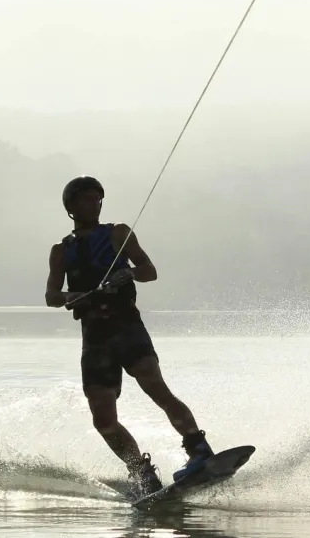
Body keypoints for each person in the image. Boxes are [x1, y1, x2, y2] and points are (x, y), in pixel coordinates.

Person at [44, 175, 214, 497]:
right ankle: (142, 473)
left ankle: (198, 449)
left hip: (127, 327)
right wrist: (70, 296)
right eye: (85, 199)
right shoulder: (61, 251)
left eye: (96, 198)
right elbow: (51, 296)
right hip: (95, 339)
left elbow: (150, 271)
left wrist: (129, 273)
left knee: (155, 387)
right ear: (71, 208)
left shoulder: (118, 233)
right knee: (103, 419)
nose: (93, 204)